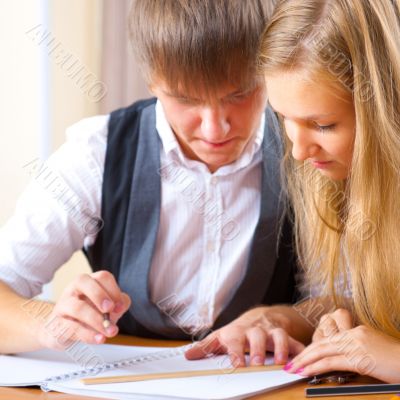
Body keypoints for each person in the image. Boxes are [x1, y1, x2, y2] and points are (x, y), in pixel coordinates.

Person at [0, 0, 304, 361]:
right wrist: (50, 323)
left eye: (239, 94)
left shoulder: (304, 150)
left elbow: (343, 304)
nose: (214, 128)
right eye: (186, 99)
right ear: (153, 81)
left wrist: (280, 318)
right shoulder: (97, 153)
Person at [188, 0, 400, 383]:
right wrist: (285, 320)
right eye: (284, 118)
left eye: (322, 125)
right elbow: (361, 302)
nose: (299, 152)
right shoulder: (336, 180)